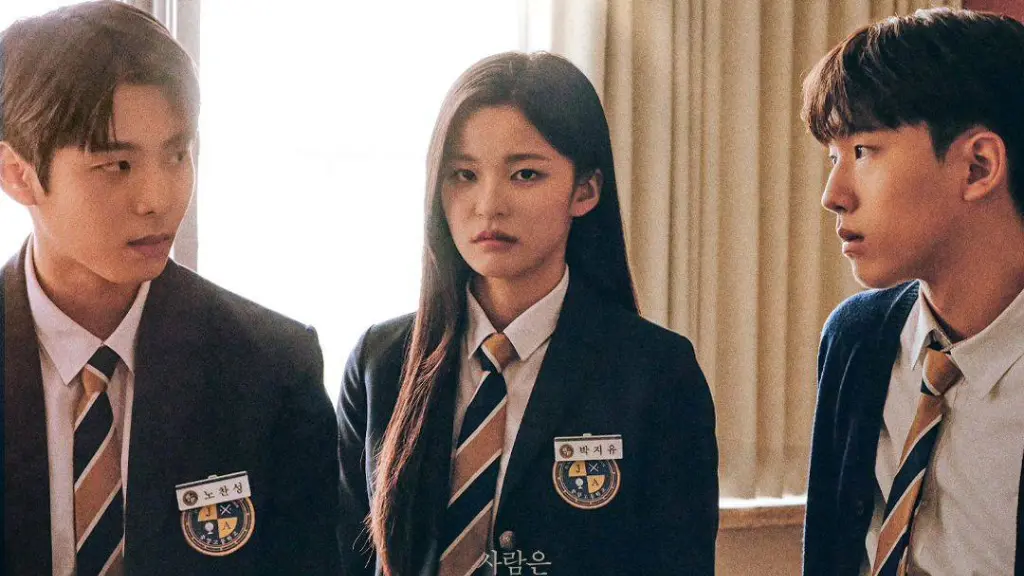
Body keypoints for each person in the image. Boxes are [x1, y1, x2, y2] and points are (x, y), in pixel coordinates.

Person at [336, 51, 718, 576]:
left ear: (585, 190)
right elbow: (344, 556)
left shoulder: (655, 373)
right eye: (464, 174)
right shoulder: (381, 364)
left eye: (524, 174)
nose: (488, 204)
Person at [0, 2, 340, 574]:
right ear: (18, 173)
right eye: (117, 165)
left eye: (178, 155)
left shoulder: (270, 367)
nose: (159, 199)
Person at [801, 8, 1024, 575]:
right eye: (833, 157)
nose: (833, 194)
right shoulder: (857, 339)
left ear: (978, 167)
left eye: (863, 151)